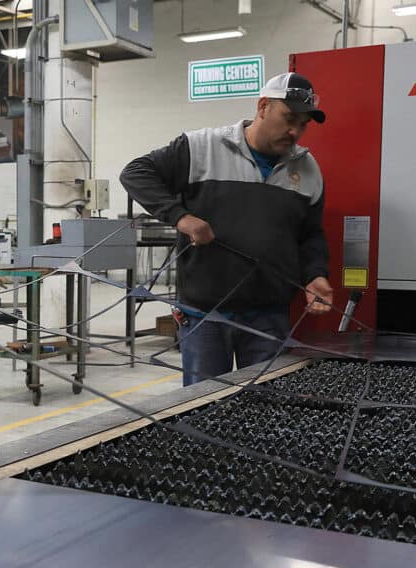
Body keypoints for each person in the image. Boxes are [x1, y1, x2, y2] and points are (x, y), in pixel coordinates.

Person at [120, 72, 333, 386]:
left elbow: (310, 234)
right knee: (203, 410)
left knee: (267, 406)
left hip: (269, 315)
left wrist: (315, 275)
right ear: (263, 107)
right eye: (289, 118)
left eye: (303, 124)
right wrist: (181, 217)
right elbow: (136, 173)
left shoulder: (307, 168)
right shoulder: (203, 147)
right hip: (206, 314)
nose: (294, 131)